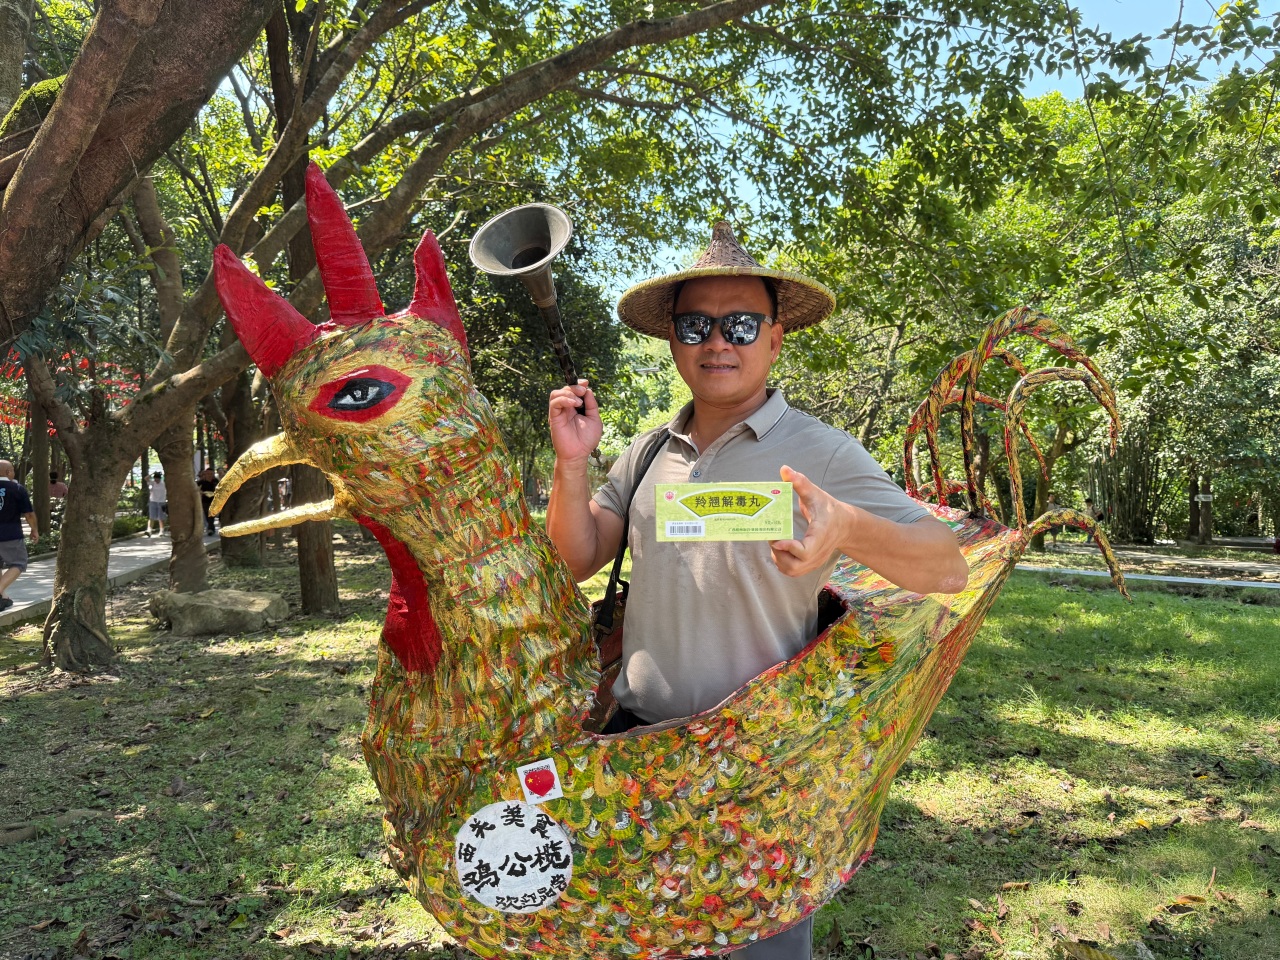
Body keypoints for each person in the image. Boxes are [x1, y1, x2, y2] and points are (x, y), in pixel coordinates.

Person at [546, 223, 968, 960]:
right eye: (695, 325)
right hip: (638, 753)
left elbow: (946, 567)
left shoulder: (821, 453)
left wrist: (845, 527)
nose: (718, 342)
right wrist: (572, 464)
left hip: (763, 769)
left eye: (740, 324)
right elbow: (576, 557)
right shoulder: (647, 453)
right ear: (673, 341)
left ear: (775, 339)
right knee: (642, 937)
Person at [0, 460, 39, 612]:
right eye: (13, 470)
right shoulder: (16, 488)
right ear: (8, 472)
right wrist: (34, 529)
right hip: (10, 534)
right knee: (19, 563)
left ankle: (3, 598)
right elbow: (29, 514)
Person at [198, 466, 219, 535]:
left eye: (211, 474)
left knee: (211, 514)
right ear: (205, 474)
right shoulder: (201, 482)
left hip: (214, 500)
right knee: (207, 515)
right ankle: (211, 528)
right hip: (205, 501)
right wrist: (200, 492)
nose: (210, 475)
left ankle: (210, 529)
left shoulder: (216, 481)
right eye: (208, 474)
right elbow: (196, 488)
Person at [147, 471, 167, 537]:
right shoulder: (152, 483)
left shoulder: (164, 483)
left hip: (161, 502)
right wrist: (152, 473)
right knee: (151, 517)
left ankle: (161, 531)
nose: (156, 480)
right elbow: (146, 478)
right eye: (155, 479)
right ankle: (149, 530)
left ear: (160, 478)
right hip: (153, 501)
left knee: (161, 518)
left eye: (157, 479)